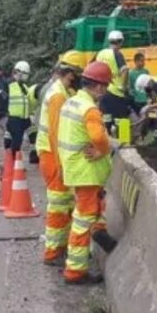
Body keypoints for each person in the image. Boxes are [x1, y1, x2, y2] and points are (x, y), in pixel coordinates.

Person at [58, 61, 117, 284]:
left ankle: (100, 233)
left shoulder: (71, 102)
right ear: (100, 87)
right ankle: (75, 272)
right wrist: (104, 150)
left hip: (75, 168)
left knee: (93, 208)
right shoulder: (89, 109)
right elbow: (100, 139)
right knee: (82, 221)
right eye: (105, 87)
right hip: (87, 171)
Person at [36, 50, 86, 265]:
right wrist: (63, 165)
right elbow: (57, 133)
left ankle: (60, 247)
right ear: (71, 74)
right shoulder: (57, 95)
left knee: (64, 203)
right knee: (58, 205)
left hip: (53, 155)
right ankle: (53, 252)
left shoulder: (62, 92)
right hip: (52, 156)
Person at [96, 30, 130, 130]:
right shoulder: (117, 54)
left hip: (103, 91)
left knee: (106, 118)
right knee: (122, 120)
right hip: (116, 92)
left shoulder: (101, 53)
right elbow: (125, 71)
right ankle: (124, 142)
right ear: (121, 41)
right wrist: (123, 87)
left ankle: (107, 141)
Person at [7, 61, 36, 154]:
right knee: (16, 142)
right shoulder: (9, 85)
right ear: (19, 73)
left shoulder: (24, 87)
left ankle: (33, 156)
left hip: (25, 118)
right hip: (13, 118)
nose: (26, 76)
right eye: (25, 74)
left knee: (33, 135)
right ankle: (12, 162)